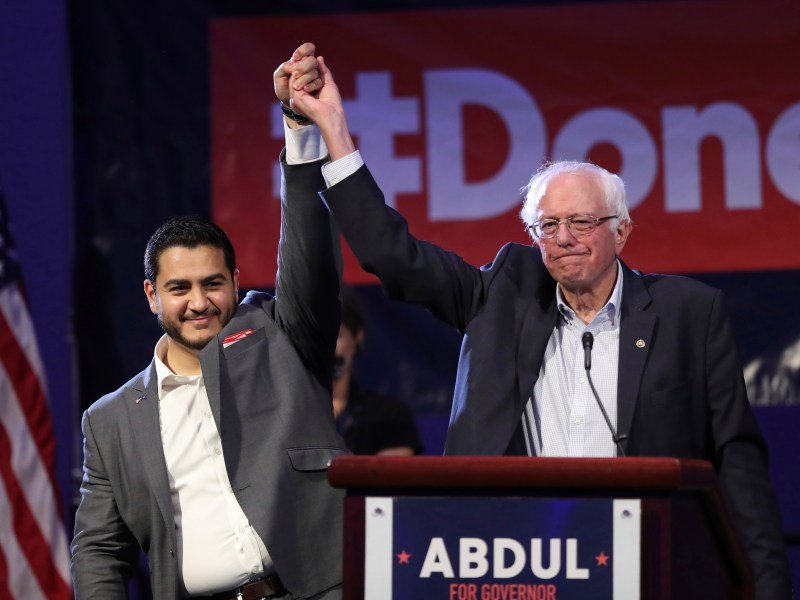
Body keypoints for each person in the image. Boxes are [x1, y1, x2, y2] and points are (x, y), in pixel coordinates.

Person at [275, 44, 793, 598]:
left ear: (621, 232)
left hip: (647, 564)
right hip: (515, 565)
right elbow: (389, 252)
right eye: (548, 225)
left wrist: (766, 587)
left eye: (581, 221)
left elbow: (738, 463)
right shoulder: (503, 293)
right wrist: (331, 127)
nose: (563, 237)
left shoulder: (688, 313)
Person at [71, 55, 348, 599]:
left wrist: (298, 131)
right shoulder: (109, 423)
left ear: (236, 280)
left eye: (213, 284)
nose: (199, 303)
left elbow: (310, 260)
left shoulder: (281, 334)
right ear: (151, 295)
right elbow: (100, 550)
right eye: (179, 289)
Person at [333, 287, 423, 455]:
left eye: (336, 336)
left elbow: (392, 478)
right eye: (317, 337)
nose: (326, 347)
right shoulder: (291, 416)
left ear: (357, 338)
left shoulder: (391, 416)